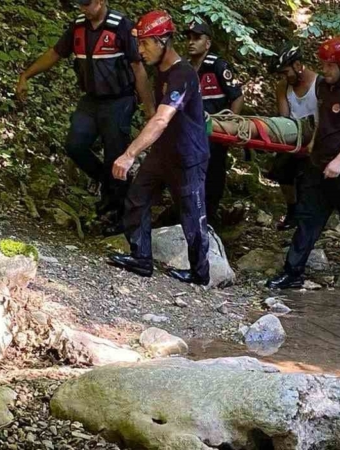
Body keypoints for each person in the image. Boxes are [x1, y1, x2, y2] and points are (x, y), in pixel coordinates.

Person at [16, 0, 155, 235]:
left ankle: (119, 213)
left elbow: (138, 68)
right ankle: (108, 184)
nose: (83, 8)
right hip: (91, 100)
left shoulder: (120, 25)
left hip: (119, 99)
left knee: (115, 154)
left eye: (87, 3)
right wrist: (26, 75)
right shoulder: (78, 26)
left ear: (101, 1)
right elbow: (55, 53)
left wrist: (149, 109)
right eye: (80, 4)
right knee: (75, 144)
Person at [267, 36, 340, 289]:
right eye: (324, 65)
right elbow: (322, 117)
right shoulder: (323, 86)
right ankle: (293, 271)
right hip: (318, 162)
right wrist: (313, 146)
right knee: (308, 217)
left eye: (331, 65)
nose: (325, 70)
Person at [107, 11, 211, 286]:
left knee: (192, 215)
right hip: (163, 153)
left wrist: (130, 154)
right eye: (139, 44)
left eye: (145, 43)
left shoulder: (183, 74)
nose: (140, 50)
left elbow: (163, 118)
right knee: (137, 198)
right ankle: (141, 258)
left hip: (188, 157)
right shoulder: (160, 70)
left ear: (163, 41)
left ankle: (200, 273)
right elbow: (155, 110)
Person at [185, 20, 244, 223]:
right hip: (191, 130)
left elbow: (237, 95)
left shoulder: (219, 66)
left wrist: (231, 125)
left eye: (197, 38)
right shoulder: (185, 68)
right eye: (189, 38)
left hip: (216, 131)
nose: (191, 43)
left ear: (207, 42)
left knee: (214, 170)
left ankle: (210, 214)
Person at [265, 41, 320, 231]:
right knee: (282, 170)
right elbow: (284, 117)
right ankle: (292, 210)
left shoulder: (318, 84)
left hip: (317, 136)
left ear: (297, 66)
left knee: (308, 175)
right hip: (294, 135)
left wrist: (313, 141)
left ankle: (308, 215)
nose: (284, 77)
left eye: (285, 72)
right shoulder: (283, 87)